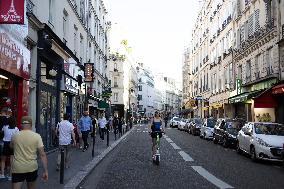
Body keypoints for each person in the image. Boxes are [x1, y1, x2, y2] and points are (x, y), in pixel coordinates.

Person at [10, 116, 48, 189]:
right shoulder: (37, 136)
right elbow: (42, 155)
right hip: (32, 167)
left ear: (21, 125)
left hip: (18, 168)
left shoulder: (15, 136)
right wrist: (45, 171)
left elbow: (11, 146)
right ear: (31, 125)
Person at [0, 108, 8, 177]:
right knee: (3, 157)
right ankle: (3, 172)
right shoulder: (8, 119)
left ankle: (2, 173)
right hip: (5, 140)